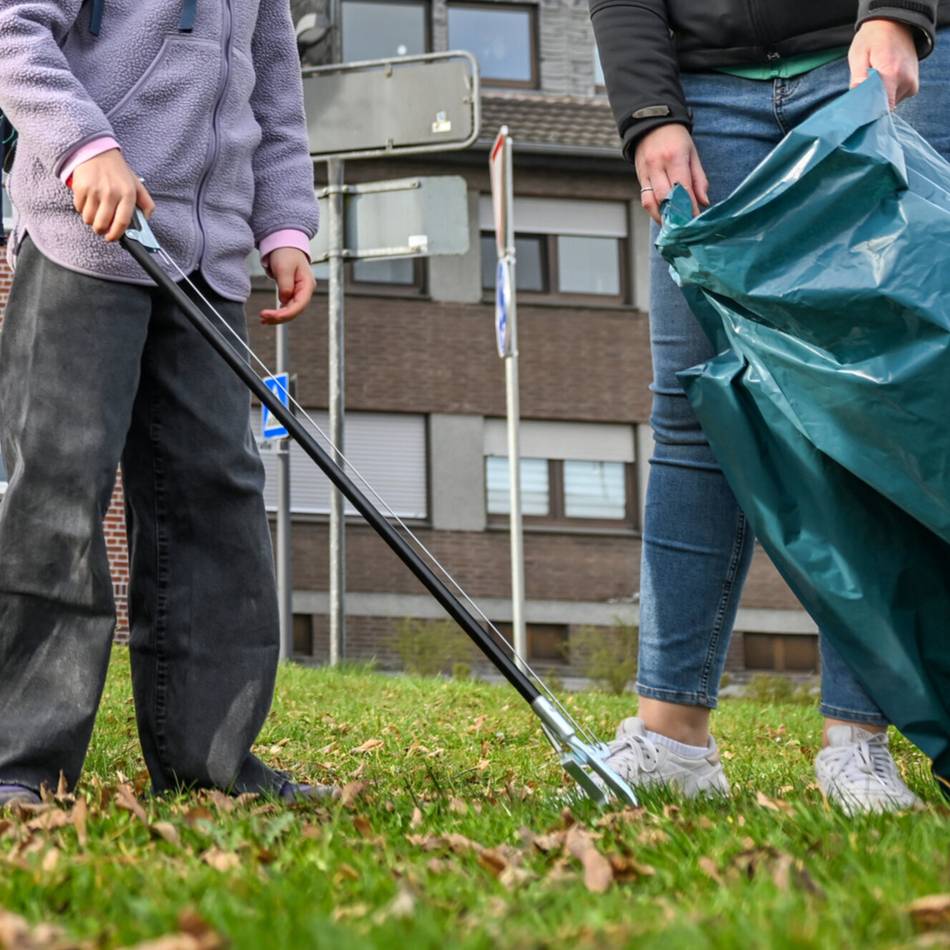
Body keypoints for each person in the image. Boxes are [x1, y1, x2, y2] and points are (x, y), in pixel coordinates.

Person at [591, 0, 950, 814]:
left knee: (877, 403)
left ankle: (860, 741)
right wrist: (649, 114)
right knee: (695, 404)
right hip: (706, 89)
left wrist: (897, 12)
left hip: (869, 56)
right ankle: (671, 738)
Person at [0, 0, 326, 807]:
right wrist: (86, 146)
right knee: (58, 497)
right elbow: (13, 29)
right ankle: (20, 763)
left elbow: (275, 89)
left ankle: (210, 767)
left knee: (216, 500)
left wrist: (285, 222)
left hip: (206, 267)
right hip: (85, 238)